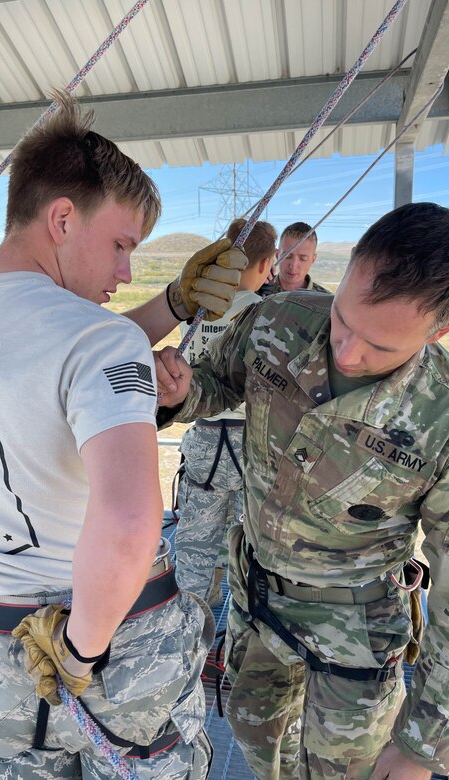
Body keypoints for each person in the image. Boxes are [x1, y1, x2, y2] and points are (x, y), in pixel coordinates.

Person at [0, 90, 248, 779]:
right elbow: (129, 522)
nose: (126, 270)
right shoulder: (99, 342)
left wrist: (172, 307)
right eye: (122, 245)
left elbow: (35, 360)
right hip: (119, 657)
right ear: (63, 218)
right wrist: (81, 650)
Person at [155, 202, 449, 780]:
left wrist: (423, 744)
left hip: (355, 640)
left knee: (342, 772)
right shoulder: (278, 319)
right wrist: (180, 393)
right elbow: (218, 384)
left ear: (441, 331)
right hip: (257, 604)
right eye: (343, 318)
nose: (345, 352)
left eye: (380, 346)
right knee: (256, 742)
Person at [174, 217, 277, 606]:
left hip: (204, 441)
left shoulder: (200, 309)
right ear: (267, 265)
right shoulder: (266, 313)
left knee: (196, 545)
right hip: (250, 446)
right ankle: (239, 632)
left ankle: (193, 621)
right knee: (250, 549)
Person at [258, 220, 328, 295]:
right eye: (287, 256)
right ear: (277, 255)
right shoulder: (255, 289)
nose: (293, 266)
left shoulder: (325, 301)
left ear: (313, 260)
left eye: (303, 259)